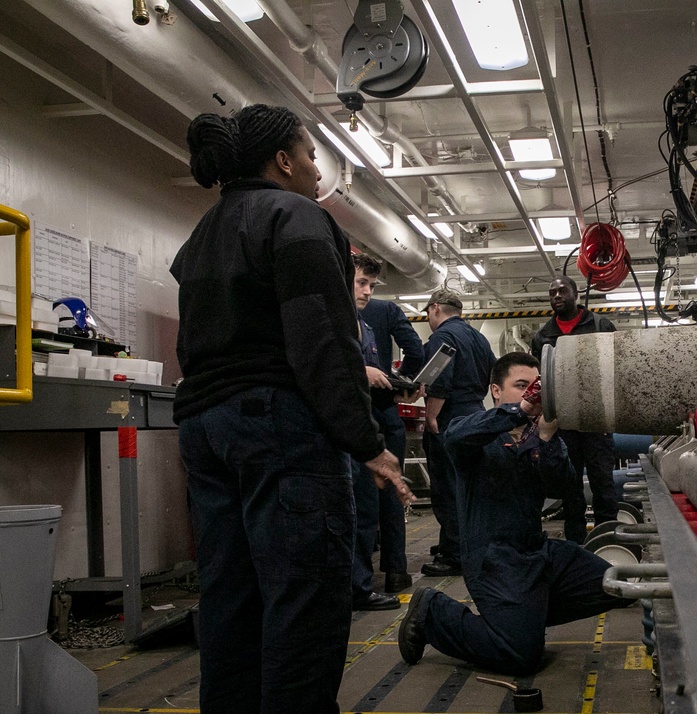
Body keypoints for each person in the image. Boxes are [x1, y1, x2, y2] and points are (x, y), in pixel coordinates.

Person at [171, 104, 411, 714]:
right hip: (276, 429)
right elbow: (323, 344)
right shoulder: (295, 216)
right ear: (282, 160)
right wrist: (367, 443)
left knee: (231, 599)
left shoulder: (202, 235)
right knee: (304, 599)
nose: (313, 168)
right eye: (309, 155)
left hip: (205, 429)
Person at [396, 352, 631, 674]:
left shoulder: (541, 438)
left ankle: (523, 616)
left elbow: (563, 487)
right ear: (495, 390)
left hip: (538, 550)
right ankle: (433, 612)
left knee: (619, 585)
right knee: (519, 655)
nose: (528, 394)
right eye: (520, 386)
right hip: (497, 559)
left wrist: (547, 437)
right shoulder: (477, 432)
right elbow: (454, 437)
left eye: (534, 387)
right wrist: (518, 412)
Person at [350, 253, 421, 609]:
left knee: (368, 500)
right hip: (364, 420)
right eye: (361, 283)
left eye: (371, 286)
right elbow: (415, 351)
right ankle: (379, 576)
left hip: (367, 419)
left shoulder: (364, 323)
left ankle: (361, 581)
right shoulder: (351, 319)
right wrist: (386, 379)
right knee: (369, 503)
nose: (366, 292)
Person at [530, 276, 618, 543]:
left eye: (562, 290)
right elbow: (540, 379)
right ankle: (576, 544)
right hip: (564, 421)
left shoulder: (601, 325)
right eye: (552, 292)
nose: (557, 295)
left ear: (576, 294)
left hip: (597, 419)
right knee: (571, 487)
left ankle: (609, 540)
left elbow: (617, 366)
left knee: (602, 482)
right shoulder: (542, 336)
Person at [420, 288, 496, 577]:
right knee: (469, 485)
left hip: (450, 416)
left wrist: (431, 418)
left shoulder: (442, 337)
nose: (428, 318)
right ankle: (462, 543)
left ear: (436, 308)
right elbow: (492, 372)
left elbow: (441, 380)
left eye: (427, 313)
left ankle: (453, 554)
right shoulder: (478, 337)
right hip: (475, 412)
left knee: (447, 487)